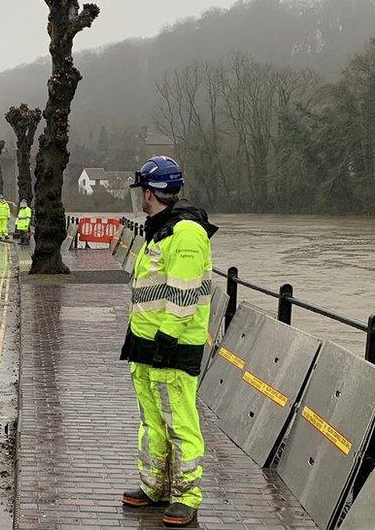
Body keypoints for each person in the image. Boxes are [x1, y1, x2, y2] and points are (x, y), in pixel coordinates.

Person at [119, 156, 217, 527]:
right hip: (146, 344)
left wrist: (165, 340)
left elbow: (184, 295)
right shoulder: (160, 229)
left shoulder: (186, 233)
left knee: (180, 421)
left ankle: (187, 496)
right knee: (152, 419)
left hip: (172, 348)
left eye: (140, 192)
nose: (139, 200)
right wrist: (137, 334)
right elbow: (150, 293)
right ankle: (155, 487)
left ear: (150, 192)